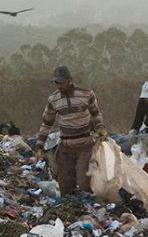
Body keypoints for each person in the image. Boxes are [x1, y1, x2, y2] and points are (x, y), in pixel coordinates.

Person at [35, 65, 107, 196]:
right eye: (56, 82)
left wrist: (100, 127)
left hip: (85, 145)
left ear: (70, 79)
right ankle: (72, 212)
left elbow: (96, 114)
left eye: (61, 82)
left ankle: (88, 208)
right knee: (65, 185)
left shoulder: (86, 94)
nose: (59, 86)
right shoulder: (53, 99)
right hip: (65, 147)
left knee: (84, 181)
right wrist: (40, 145)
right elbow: (47, 123)